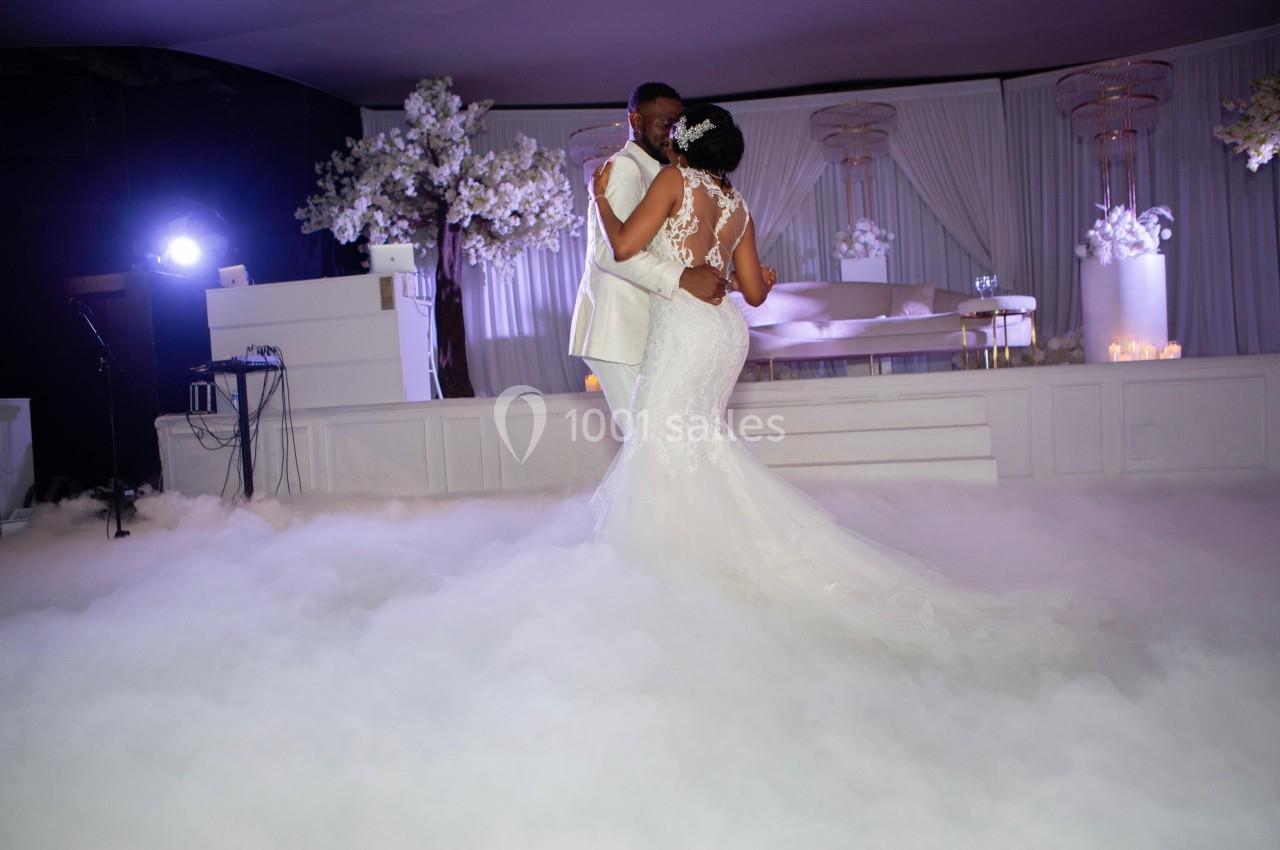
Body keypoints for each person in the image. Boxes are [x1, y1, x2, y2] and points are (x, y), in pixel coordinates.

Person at [587, 103, 1091, 666]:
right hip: (726, 332)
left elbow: (625, 247)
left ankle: (672, 580)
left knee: (658, 441)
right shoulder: (738, 206)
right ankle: (708, 565)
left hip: (684, 325)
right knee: (697, 442)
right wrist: (747, 273)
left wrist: (602, 199)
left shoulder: (675, 179)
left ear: (682, 145)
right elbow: (754, 293)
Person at [567, 82, 775, 435]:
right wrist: (683, 277)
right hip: (621, 327)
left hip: (669, 328)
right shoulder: (625, 168)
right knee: (651, 440)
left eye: (679, 124)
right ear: (635, 120)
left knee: (668, 442)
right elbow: (609, 253)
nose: (672, 134)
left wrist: (729, 280)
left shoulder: (676, 176)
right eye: (665, 124)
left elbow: (680, 251)